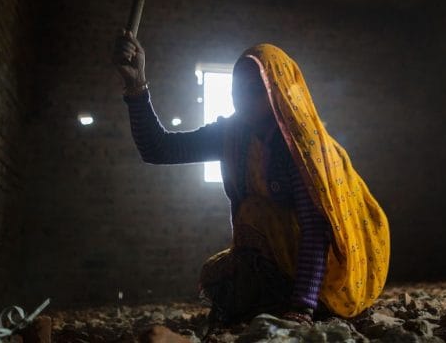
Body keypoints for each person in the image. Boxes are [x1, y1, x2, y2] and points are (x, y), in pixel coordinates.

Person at [113, 31, 390, 326]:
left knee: (257, 214)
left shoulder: (299, 146)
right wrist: (136, 84)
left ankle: (314, 301)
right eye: (237, 88)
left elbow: (315, 230)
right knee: (217, 277)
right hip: (278, 254)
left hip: (331, 263)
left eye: (254, 88)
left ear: (279, 89)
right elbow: (158, 149)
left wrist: (303, 307)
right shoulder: (233, 134)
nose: (242, 97)